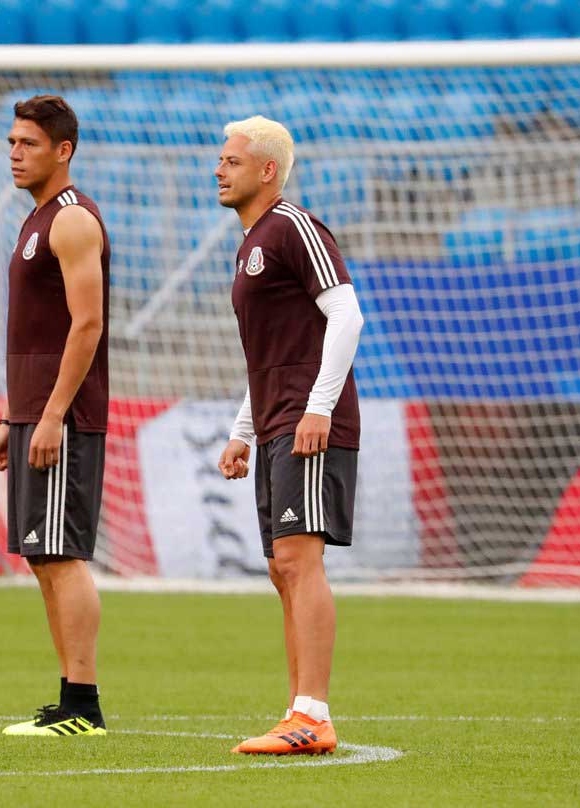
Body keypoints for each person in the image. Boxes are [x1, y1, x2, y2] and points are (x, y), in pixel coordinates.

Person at [215, 116, 364, 755]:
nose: (218, 169)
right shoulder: (251, 243)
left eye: (231, 160)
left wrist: (319, 408)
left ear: (267, 170)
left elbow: (347, 315)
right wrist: (242, 429)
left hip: (308, 423)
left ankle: (313, 714)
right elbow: (270, 352)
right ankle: (299, 708)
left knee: (301, 561)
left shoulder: (294, 226)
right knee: (282, 567)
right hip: (277, 420)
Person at [0, 95, 110, 737]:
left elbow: (87, 324)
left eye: (27, 144)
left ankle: (83, 703)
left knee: (62, 555)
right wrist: (16, 417)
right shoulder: (36, 220)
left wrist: (54, 413)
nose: (14, 153)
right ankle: (68, 697)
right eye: (11, 142)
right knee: (43, 556)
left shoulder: (71, 221)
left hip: (64, 415)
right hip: (34, 413)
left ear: (62, 151)